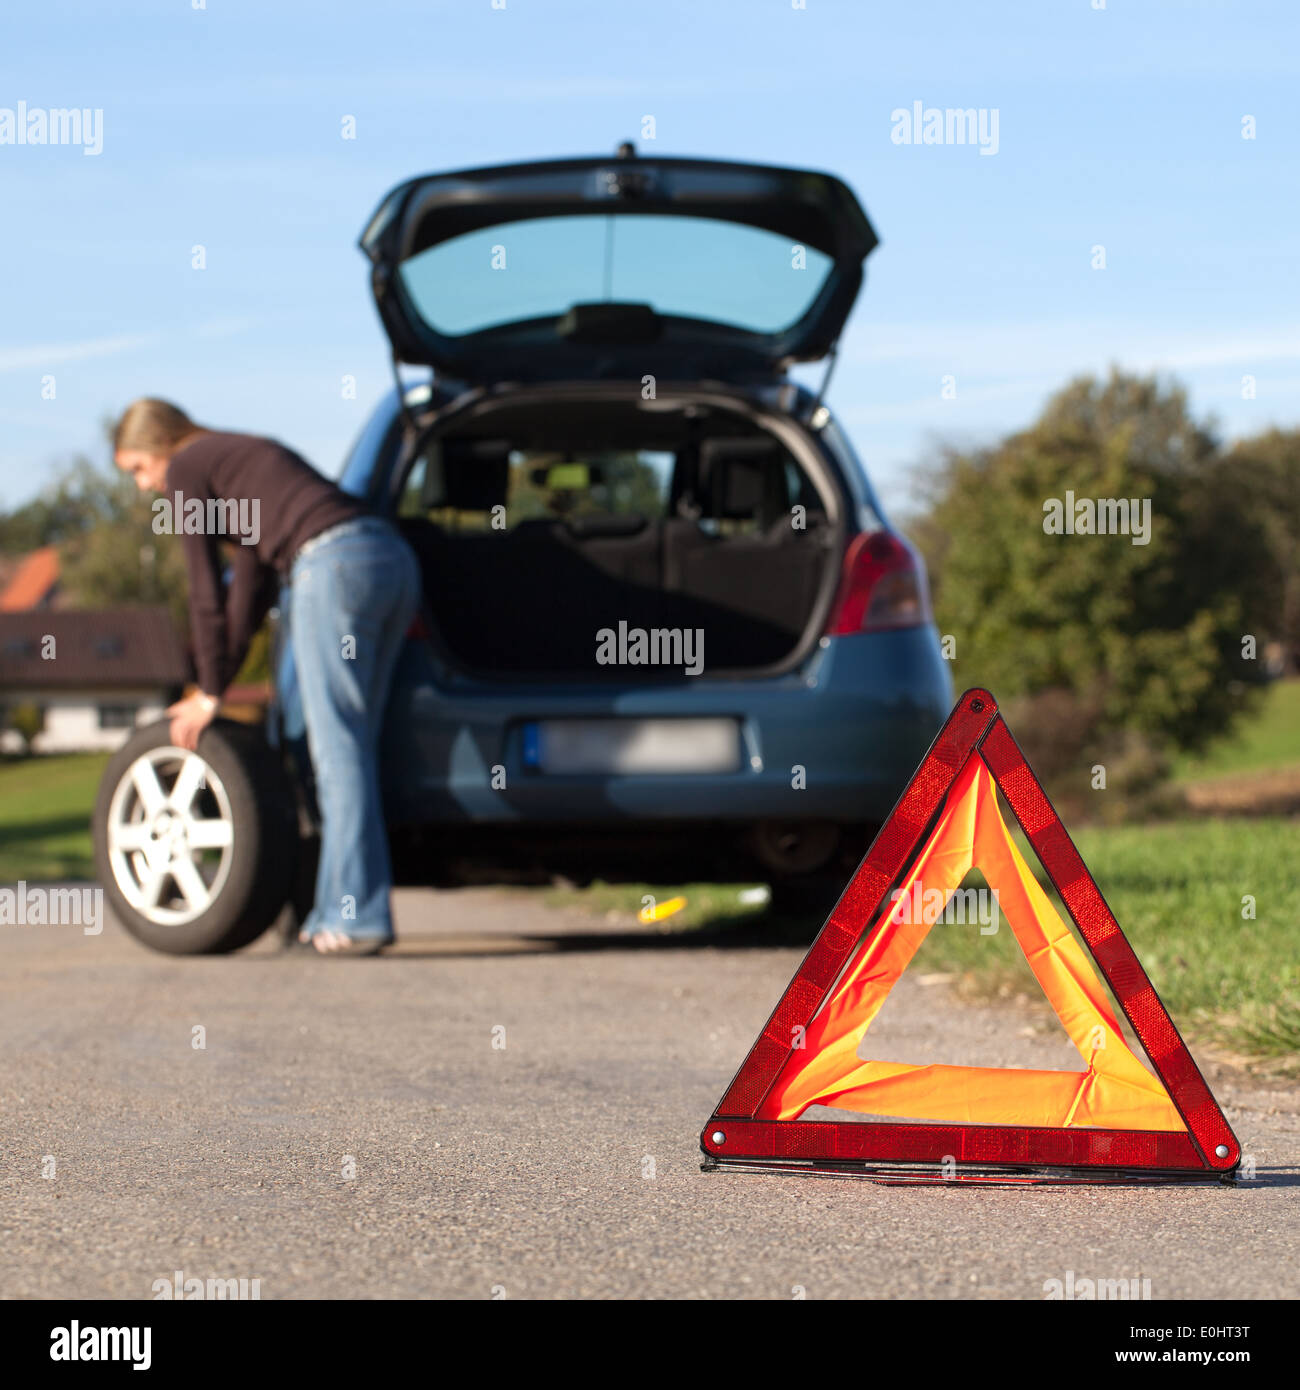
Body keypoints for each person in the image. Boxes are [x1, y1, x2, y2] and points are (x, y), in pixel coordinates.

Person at [113, 398, 420, 956]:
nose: (142, 485)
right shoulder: (238, 460)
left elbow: (206, 590)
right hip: (390, 562)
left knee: (336, 753)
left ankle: (358, 917)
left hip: (332, 566)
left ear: (160, 447)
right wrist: (219, 681)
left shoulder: (187, 468)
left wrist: (208, 692)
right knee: (350, 748)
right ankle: (333, 912)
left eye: (138, 469)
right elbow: (247, 593)